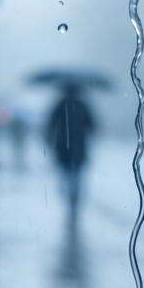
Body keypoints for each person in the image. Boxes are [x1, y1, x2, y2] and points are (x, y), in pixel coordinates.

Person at [44, 86, 97, 214]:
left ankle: (69, 196)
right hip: (78, 148)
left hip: (63, 147)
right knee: (76, 174)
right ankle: (74, 197)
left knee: (66, 173)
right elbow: (92, 126)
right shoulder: (83, 106)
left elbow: (50, 126)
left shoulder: (60, 105)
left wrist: (50, 140)